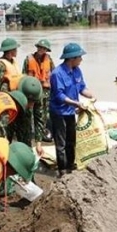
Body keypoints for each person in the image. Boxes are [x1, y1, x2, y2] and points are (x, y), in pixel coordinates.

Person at [49, 43, 95, 177]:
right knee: (61, 142)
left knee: (71, 140)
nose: (81, 59)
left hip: (70, 112)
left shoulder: (77, 71)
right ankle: (62, 170)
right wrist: (76, 104)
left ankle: (71, 166)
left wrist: (92, 95)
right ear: (71, 58)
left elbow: (81, 88)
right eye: (79, 57)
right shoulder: (57, 74)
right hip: (59, 112)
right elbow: (59, 95)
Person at [22, 39, 55, 142]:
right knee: (29, 113)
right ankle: (28, 134)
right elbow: (23, 76)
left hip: (45, 92)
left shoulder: (49, 60)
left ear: (46, 50)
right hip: (32, 91)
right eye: (40, 47)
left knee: (43, 115)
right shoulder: (28, 59)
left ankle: (41, 134)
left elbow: (54, 74)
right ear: (37, 48)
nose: (41, 50)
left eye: (44, 48)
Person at [5, 76, 45, 156]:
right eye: (28, 101)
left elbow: (39, 118)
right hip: (9, 114)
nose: (31, 105)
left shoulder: (37, 93)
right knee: (4, 147)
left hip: (25, 116)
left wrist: (38, 143)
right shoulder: (7, 89)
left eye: (33, 102)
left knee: (26, 149)